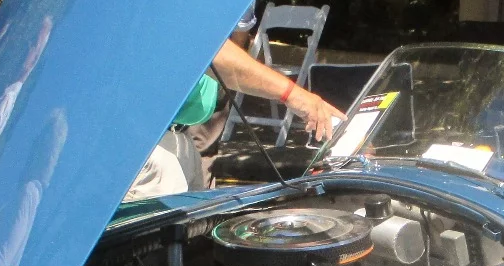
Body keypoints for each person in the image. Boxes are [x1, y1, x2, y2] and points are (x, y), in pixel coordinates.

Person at [127, 39, 345, 201]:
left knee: (191, 247)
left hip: (179, 137)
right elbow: (213, 52)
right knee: (157, 256)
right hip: (150, 145)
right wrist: (293, 94)